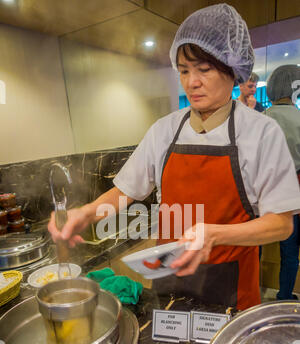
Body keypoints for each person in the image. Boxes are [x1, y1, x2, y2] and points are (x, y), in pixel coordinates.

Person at [48, 4, 300, 312]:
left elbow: (281, 225)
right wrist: (86, 213)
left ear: (233, 69)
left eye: (204, 69)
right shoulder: (164, 130)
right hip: (169, 283)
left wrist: (216, 234)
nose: (191, 82)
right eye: (183, 71)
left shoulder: (262, 132)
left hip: (232, 288)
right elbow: (126, 191)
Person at [265, 64, 300, 300]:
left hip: (262, 198)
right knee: (290, 253)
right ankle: (285, 296)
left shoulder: (260, 119)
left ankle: (246, 295)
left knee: (253, 247)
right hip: (293, 198)